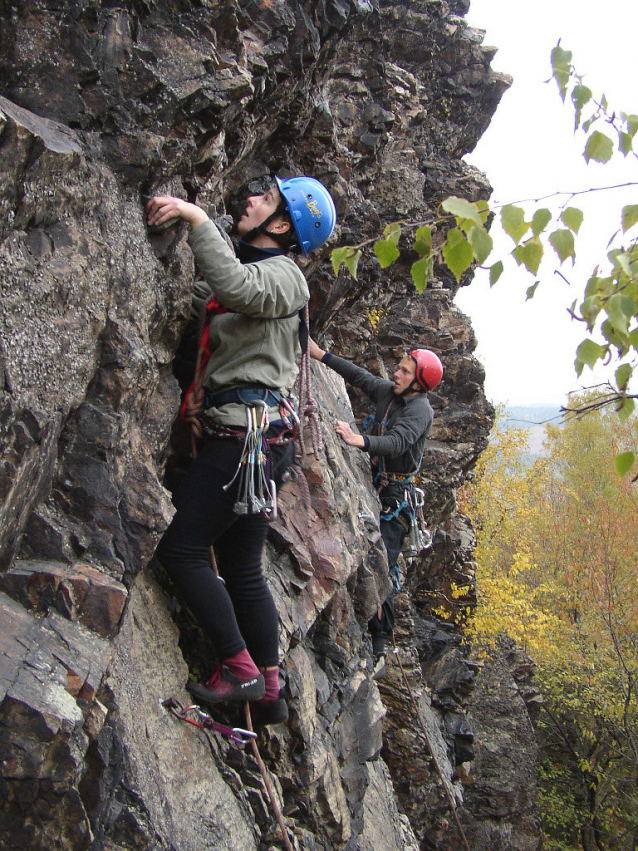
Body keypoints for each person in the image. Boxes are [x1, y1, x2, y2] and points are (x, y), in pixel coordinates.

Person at [147, 176, 336, 723]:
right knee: (241, 565)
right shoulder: (272, 275)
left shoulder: (284, 277)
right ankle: (271, 688)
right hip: (255, 440)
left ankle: (238, 668)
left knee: (181, 548)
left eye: (266, 199)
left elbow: (234, 287)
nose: (249, 199)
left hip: (243, 442)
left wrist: (193, 216)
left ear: (282, 225)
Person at [308, 339, 442, 673]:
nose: (396, 373)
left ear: (419, 382)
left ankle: (380, 643)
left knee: (384, 559)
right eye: (399, 368)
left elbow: (397, 442)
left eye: (404, 371)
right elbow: (359, 376)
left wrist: (360, 441)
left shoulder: (420, 410)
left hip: (396, 495)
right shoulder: (391, 393)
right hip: (377, 481)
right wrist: (320, 353)